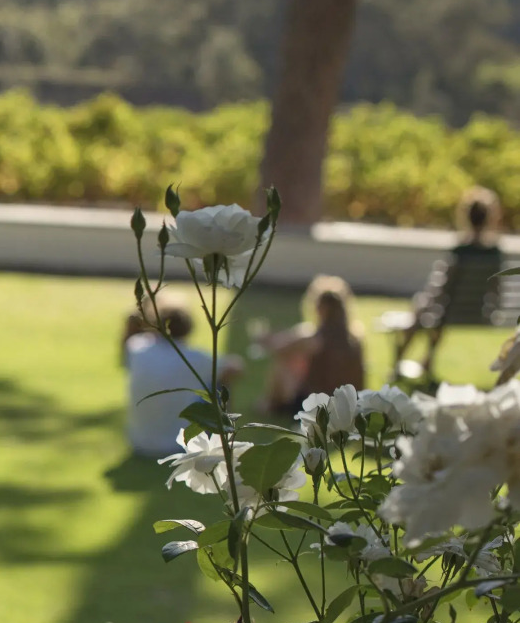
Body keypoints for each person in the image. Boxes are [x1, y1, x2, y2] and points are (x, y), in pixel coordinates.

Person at [389, 186, 506, 380]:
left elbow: (441, 289)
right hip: (478, 313)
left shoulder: (460, 251)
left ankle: (399, 362)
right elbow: (497, 289)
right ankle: (426, 362)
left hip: (449, 313)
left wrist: (424, 303)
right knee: (436, 312)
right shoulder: (495, 253)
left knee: (424, 307)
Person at [124, 289, 242, 457]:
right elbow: (236, 368)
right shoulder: (197, 358)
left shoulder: (136, 347)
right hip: (181, 445)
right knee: (217, 383)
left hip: (139, 441)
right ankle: (224, 435)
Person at [259, 275, 366, 417]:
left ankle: (269, 405)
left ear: (321, 308)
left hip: (318, 404)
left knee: (282, 363)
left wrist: (265, 338)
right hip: (350, 404)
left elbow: (280, 348)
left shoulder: (317, 337)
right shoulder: (354, 339)